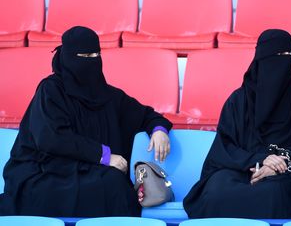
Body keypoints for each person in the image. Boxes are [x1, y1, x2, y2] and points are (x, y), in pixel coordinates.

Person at [0, 26, 172, 217]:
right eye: (85, 56)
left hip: (87, 173)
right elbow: (52, 138)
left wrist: (159, 130)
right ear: (68, 57)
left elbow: (147, 115)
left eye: (95, 55)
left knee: (115, 184)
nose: (91, 62)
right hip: (45, 172)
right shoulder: (51, 91)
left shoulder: (109, 96)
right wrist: (103, 156)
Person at [183, 29, 291, 218]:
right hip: (239, 168)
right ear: (261, 59)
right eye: (277, 56)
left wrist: (277, 166)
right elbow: (225, 146)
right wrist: (258, 159)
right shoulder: (239, 100)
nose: (284, 62)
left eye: (290, 55)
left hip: (284, 174)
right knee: (216, 191)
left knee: (275, 194)